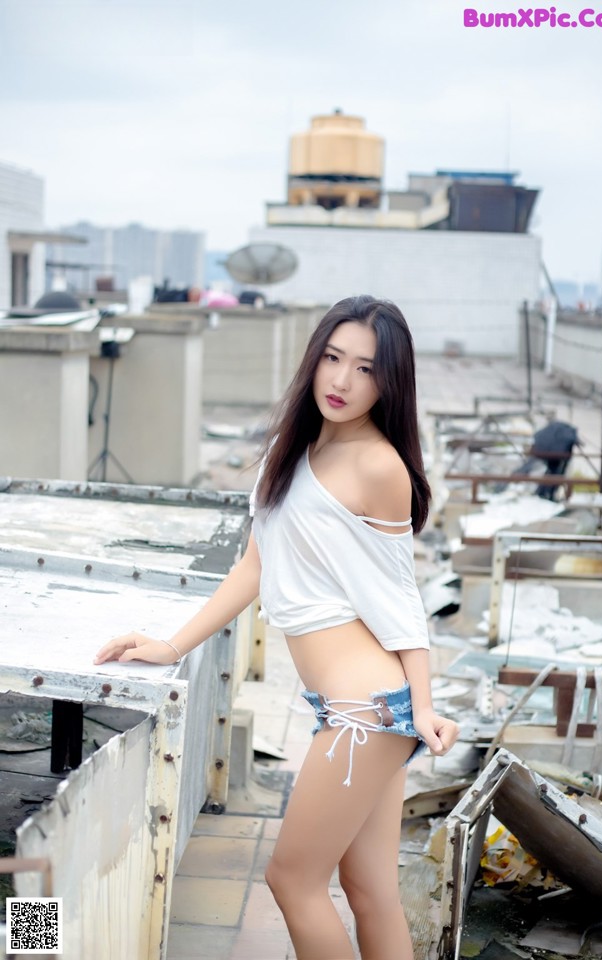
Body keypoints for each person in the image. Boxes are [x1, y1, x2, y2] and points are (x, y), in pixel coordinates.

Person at [94, 294, 459, 960]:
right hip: (352, 709)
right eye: (332, 358)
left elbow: (401, 599)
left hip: (366, 713)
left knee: (292, 880)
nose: (342, 380)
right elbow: (255, 564)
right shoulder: (292, 449)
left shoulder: (378, 467)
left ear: (391, 382)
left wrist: (426, 707)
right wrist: (172, 643)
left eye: (366, 369)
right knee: (367, 883)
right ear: (314, 358)